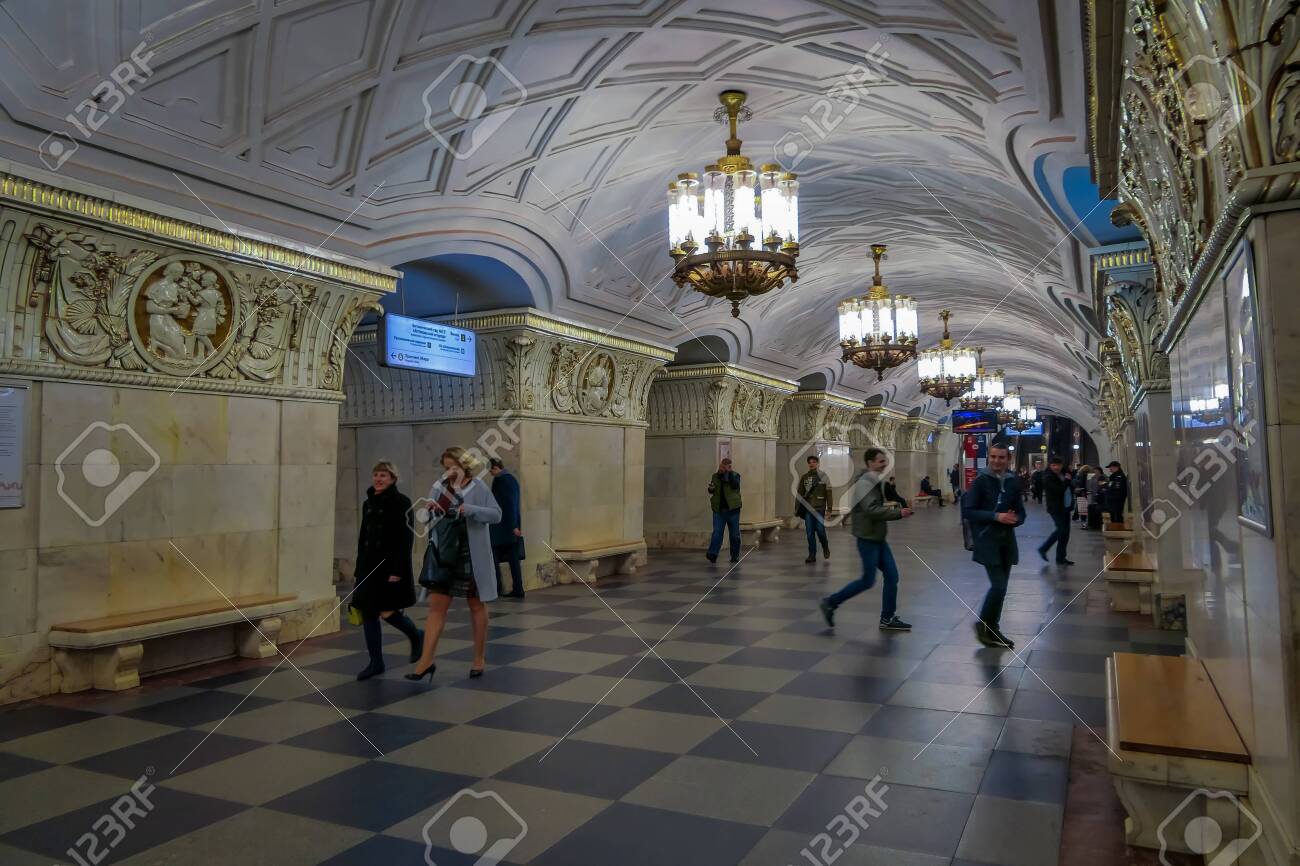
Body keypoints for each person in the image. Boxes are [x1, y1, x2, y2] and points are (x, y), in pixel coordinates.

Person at [407, 447, 502, 682]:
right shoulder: (440, 486)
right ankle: (425, 661)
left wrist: (470, 509)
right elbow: (428, 519)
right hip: (445, 555)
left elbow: (496, 514)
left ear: (464, 466)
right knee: (437, 607)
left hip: (471, 554)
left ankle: (479, 658)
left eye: (454, 467)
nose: (450, 472)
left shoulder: (478, 487)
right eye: (447, 467)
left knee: (476, 606)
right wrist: (431, 511)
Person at [819, 448, 914, 632]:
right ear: (870, 462)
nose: (884, 463)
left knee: (892, 576)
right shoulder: (865, 483)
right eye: (880, 461)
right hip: (868, 538)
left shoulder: (873, 481)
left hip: (877, 537)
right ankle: (830, 602)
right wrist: (898, 513)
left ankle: (887, 618)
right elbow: (871, 509)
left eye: (885, 460)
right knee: (867, 580)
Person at [351, 461, 424, 681]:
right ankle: (376, 661)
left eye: (383, 475)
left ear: (393, 478)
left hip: (389, 566)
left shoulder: (402, 502)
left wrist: (398, 569)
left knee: (387, 611)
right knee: (368, 612)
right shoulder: (368, 503)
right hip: (368, 566)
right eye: (375, 474)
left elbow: (405, 539)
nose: (378, 479)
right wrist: (358, 568)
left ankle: (416, 634)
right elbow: (364, 537)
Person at [962, 441, 1026, 648]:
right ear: (989, 458)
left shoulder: (1013, 481)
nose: (997, 461)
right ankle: (983, 625)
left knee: (1002, 587)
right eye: (993, 457)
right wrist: (996, 516)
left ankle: (993, 628)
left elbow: (1020, 510)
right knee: (998, 585)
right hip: (987, 539)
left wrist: (1016, 519)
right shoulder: (980, 481)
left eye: (1001, 457)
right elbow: (969, 511)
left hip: (1006, 540)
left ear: (1008, 459)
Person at [489, 458, 525, 598]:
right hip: (510, 527)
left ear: (496, 468)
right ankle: (518, 588)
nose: (491, 473)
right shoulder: (512, 480)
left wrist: (513, 526)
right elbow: (515, 505)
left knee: (494, 558)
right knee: (513, 559)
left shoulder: (501, 480)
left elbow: (508, 504)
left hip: (501, 528)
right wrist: (516, 525)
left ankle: (498, 588)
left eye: (491, 470)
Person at [1037, 456, 1076, 565]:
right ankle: (1043, 548)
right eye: (1054, 465)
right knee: (1061, 530)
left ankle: (1061, 557)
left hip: (1066, 506)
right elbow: (1058, 491)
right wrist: (1068, 481)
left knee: (1065, 533)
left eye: (1058, 465)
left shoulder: (1063, 473)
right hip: (1056, 508)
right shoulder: (1048, 477)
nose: (1056, 467)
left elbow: (1069, 486)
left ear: (1061, 465)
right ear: (1050, 465)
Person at [797, 455, 832, 563]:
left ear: (817, 463)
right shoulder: (804, 477)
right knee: (809, 533)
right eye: (810, 462)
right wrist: (797, 508)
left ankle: (825, 546)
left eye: (814, 462)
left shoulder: (824, 476)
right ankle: (812, 554)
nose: (811, 464)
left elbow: (829, 493)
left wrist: (829, 509)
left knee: (820, 530)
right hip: (808, 509)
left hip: (820, 508)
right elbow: (800, 494)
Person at [707, 458, 742, 564]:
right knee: (717, 532)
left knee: (734, 534)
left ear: (729, 467)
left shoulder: (735, 475)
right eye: (721, 466)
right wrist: (711, 488)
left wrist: (729, 472)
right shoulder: (715, 476)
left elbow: (735, 485)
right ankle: (712, 554)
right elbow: (711, 490)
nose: (722, 468)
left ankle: (735, 555)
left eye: (724, 467)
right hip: (719, 510)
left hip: (733, 510)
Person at [1104, 461, 1129, 525]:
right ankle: (1116, 528)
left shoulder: (1119, 477)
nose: (1110, 469)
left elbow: (1117, 488)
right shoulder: (1113, 477)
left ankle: (1118, 529)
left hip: (1116, 500)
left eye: (1111, 467)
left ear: (1116, 467)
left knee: (1117, 516)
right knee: (1113, 516)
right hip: (1112, 500)